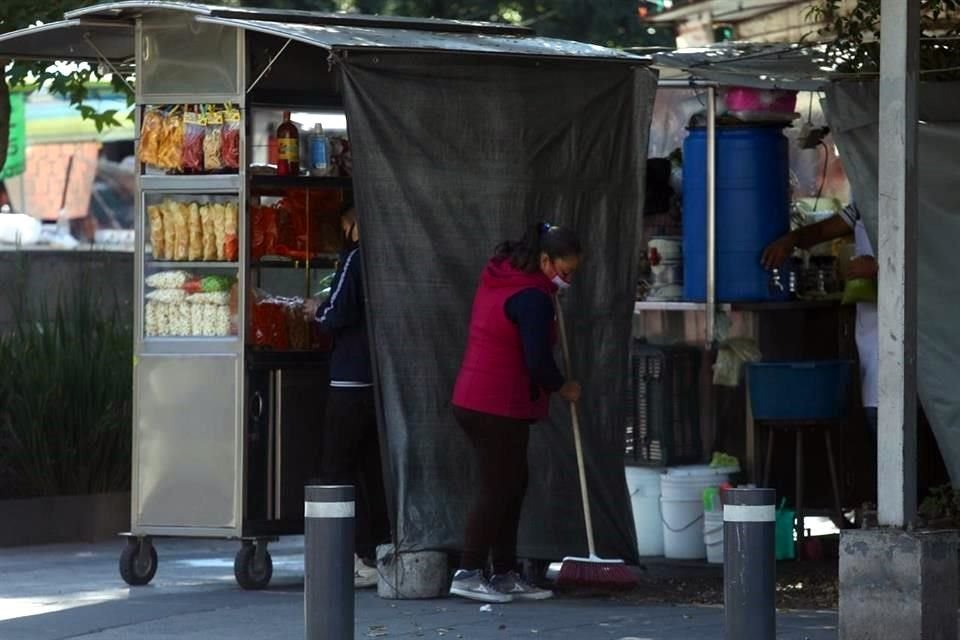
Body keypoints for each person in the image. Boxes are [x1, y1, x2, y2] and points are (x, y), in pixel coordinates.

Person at [449, 221, 583, 603]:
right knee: (497, 487)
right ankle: (470, 570)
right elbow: (537, 360)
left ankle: (504, 570)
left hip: (478, 398)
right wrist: (563, 386)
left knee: (512, 483)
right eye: (566, 271)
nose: (568, 279)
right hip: (497, 403)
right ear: (545, 260)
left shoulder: (503, 279)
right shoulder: (533, 298)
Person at [304, 202, 390, 589]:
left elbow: (336, 312)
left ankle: (353, 554)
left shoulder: (356, 259)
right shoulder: (391, 259)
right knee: (374, 469)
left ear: (353, 225)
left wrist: (314, 311)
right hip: (380, 380)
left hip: (349, 379)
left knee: (336, 468)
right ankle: (383, 548)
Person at [762, 202, 878, 433]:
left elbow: (935, 263)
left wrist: (879, 268)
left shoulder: (916, 196)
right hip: (874, 351)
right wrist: (791, 240)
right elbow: (822, 231)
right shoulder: (865, 199)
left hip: (912, 361)